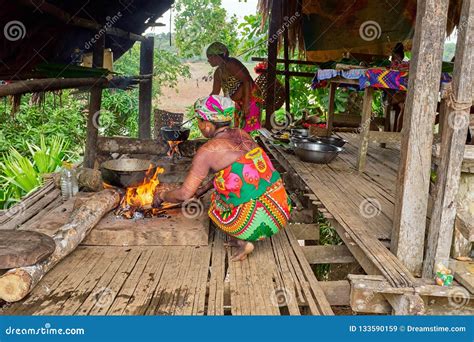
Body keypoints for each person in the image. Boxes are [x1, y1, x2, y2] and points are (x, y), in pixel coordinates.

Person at [153, 95, 291, 261]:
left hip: (257, 222)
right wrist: (203, 188)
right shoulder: (242, 134)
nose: (199, 125)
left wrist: (161, 196)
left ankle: (243, 240)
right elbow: (234, 172)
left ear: (209, 125)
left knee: (215, 203)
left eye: (200, 121)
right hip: (281, 209)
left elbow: (184, 194)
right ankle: (244, 232)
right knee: (223, 189)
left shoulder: (208, 151)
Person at [206, 42, 262, 132]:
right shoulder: (218, 72)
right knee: (238, 130)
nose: (208, 60)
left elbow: (246, 81)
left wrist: (247, 104)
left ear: (217, 56)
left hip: (251, 98)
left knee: (246, 131)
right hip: (238, 102)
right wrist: (205, 105)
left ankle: (251, 145)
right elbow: (215, 93)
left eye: (210, 57)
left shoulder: (231, 63)